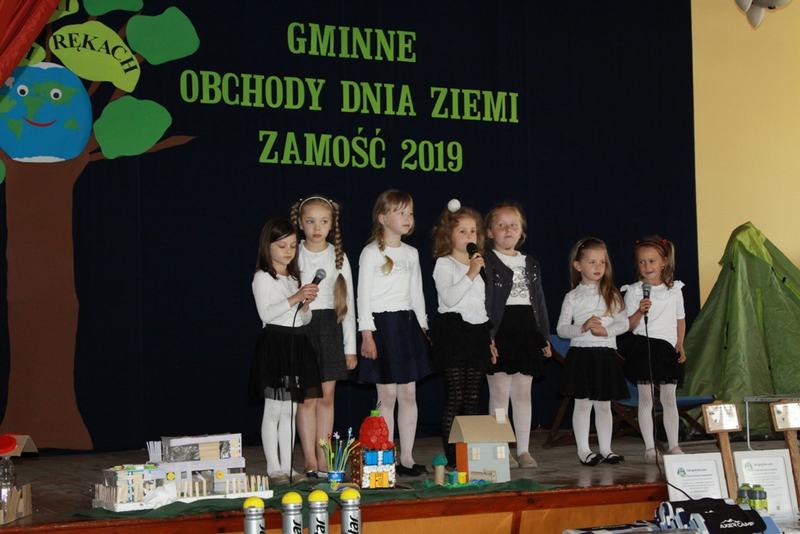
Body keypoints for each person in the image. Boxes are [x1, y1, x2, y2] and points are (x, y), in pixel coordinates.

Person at [357, 189, 431, 476]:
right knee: (386, 395)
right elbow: (363, 296)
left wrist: (423, 327)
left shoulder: (412, 253)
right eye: (400, 212)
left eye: (410, 213)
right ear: (382, 218)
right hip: (382, 327)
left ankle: (407, 457)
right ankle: (384, 456)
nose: (407, 218)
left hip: (407, 325)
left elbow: (417, 294)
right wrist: (367, 333)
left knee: (409, 393)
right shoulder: (371, 253)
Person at [249, 218, 322, 485]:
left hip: (295, 343)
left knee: (290, 410)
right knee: (274, 409)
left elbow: (303, 319)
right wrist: (295, 298)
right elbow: (266, 314)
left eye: (292, 245)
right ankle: (273, 468)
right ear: (267, 247)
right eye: (282, 246)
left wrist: (305, 305)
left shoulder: (293, 278)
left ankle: (288, 466)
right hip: (275, 345)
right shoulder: (262, 278)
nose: (288, 251)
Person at [290, 195, 357, 478]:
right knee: (307, 398)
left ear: (332, 225)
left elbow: (348, 303)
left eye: (323, 221)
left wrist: (350, 347)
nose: (317, 228)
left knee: (327, 397)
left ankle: (323, 455)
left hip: (330, 326)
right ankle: (308, 457)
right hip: (302, 327)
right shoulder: (294, 254)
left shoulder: (338, 257)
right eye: (310, 221)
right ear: (300, 223)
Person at [483, 202, 551, 468]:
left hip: (526, 328)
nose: (508, 230)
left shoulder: (531, 263)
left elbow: (540, 302)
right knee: (500, 392)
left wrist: (543, 336)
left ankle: (523, 449)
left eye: (513, 225)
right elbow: (483, 300)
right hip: (499, 328)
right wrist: (487, 336)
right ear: (490, 232)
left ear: (522, 231)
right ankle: (501, 448)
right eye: (501, 225)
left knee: (523, 393)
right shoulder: (486, 261)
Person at [431, 199, 494, 467]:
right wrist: (471, 272)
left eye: (473, 231)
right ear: (449, 235)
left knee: (472, 398)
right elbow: (450, 297)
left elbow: (481, 305)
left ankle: (470, 455)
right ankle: (452, 456)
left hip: (477, 332)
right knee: (455, 396)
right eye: (462, 231)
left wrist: (489, 339)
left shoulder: (480, 264)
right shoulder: (444, 264)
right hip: (453, 331)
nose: (469, 236)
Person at [557, 237, 629, 466]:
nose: (598, 267)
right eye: (592, 262)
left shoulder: (612, 294)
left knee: (604, 405)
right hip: (582, 355)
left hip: (605, 355)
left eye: (602, 262)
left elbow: (624, 323)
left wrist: (605, 332)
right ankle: (584, 450)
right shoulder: (572, 296)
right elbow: (561, 329)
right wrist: (582, 327)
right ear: (578, 265)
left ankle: (606, 449)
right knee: (583, 404)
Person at [619, 236, 687, 462]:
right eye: (642, 262)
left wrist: (680, 343)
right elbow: (629, 325)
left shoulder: (674, 290)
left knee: (669, 398)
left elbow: (680, 319)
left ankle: (674, 445)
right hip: (644, 347)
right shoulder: (634, 291)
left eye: (652, 261)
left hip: (666, 349)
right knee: (646, 398)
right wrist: (640, 311)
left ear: (664, 262)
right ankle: (649, 447)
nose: (647, 266)